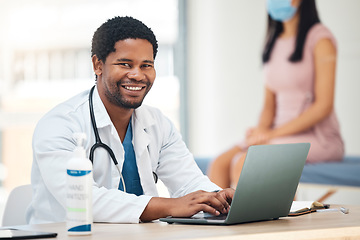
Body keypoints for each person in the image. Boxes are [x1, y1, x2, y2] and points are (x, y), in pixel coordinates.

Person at [26, 16, 234, 224]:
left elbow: (188, 182)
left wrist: (217, 197)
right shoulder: (59, 125)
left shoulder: (158, 124)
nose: (137, 75)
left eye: (146, 65)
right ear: (98, 65)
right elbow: (86, 201)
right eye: (125, 64)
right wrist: (171, 205)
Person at [208, 0, 344, 189]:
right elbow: (269, 105)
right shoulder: (272, 42)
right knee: (219, 164)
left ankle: (256, 218)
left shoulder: (321, 39)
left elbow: (323, 106)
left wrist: (270, 134)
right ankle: (221, 218)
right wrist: (260, 132)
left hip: (318, 138)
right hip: (276, 135)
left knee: (245, 164)